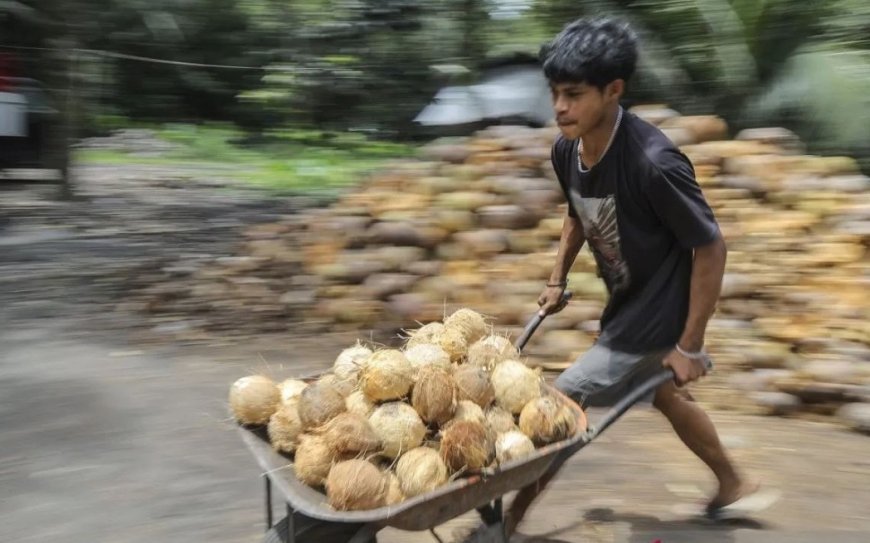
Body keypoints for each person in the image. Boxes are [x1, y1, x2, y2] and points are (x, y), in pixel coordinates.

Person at [498, 15, 777, 538]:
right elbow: (578, 211)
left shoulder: (655, 162)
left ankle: (507, 523)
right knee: (665, 395)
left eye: (574, 94)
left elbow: (711, 246)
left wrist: (690, 344)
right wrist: (557, 277)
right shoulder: (568, 149)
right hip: (627, 304)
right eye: (555, 92)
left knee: (561, 404)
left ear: (614, 90)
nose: (559, 107)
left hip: (659, 314)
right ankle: (732, 481)